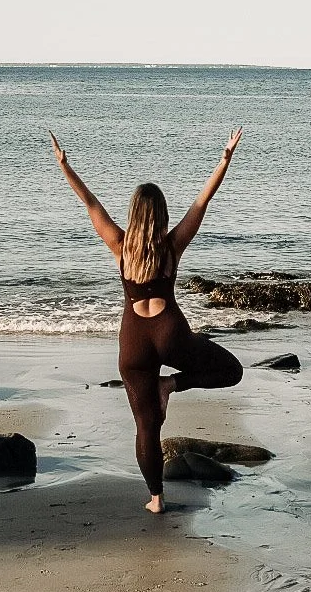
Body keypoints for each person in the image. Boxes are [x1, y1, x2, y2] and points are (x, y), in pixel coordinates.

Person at [50, 129, 244, 513]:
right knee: (231, 370)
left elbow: (90, 204)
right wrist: (224, 158)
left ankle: (156, 499)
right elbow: (202, 203)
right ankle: (170, 384)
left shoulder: (120, 247)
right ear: (162, 215)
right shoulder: (172, 246)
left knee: (146, 427)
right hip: (170, 333)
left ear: (134, 214)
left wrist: (65, 166)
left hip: (134, 342)